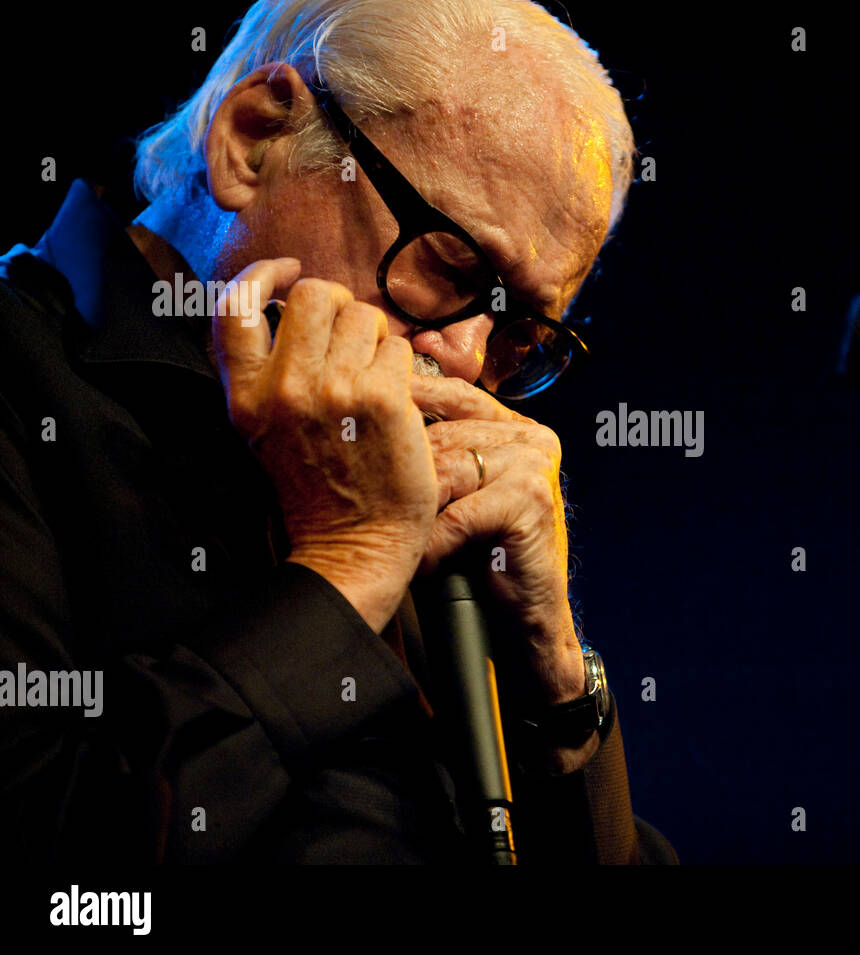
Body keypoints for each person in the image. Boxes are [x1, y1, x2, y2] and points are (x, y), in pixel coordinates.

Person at [0, 0, 676, 864]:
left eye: (521, 336)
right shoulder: (21, 379)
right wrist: (347, 567)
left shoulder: (433, 490)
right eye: (449, 265)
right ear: (254, 138)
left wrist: (558, 682)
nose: (469, 359)